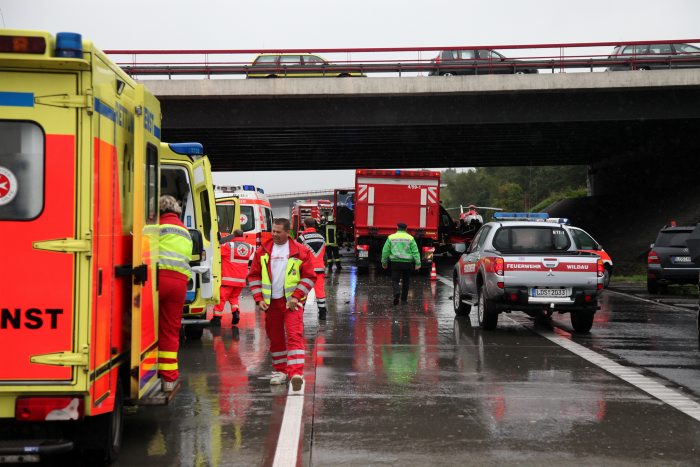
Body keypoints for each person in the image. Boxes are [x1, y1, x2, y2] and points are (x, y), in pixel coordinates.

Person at [248, 218, 316, 392]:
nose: (275, 235)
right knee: (275, 337)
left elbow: (309, 277)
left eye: (278, 232)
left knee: (294, 336)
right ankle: (280, 372)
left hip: (292, 303)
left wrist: (296, 297)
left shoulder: (300, 251)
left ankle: (296, 374)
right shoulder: (262, 251)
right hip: (271, 304)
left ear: (288, 232)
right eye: (273, 231)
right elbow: (254, 276)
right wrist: (259, 299)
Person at [157, 195, 193, 392]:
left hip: (156, 279)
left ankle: (146, 371)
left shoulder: (156, 227)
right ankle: (169, 379)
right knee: (170, 330)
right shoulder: (184, 230)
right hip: (179, 283)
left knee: (143, 327)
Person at [211, 228, 252, 327]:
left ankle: (216, 319)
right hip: (241, 280)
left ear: (233, 235)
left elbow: (217, 251)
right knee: (234, 298)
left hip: (228, 279)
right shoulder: (249, 247)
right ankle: (236, 313)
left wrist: (220, 239)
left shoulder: (229, 246)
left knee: (221, 298)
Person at [381, 222, 421, 306]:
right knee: (406, 281)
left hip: (396, 263)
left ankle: (396, 292)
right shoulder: (410, 238)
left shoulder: (391, 237)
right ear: (406, 229)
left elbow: (385, 251)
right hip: (407, 263)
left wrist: (384, 262)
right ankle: (404, 299)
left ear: (397, 228)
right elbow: (415, 251)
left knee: (395, 280)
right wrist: (418, 263)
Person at [297, 217, 328, 320]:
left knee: (303, 290)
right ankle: (322, 312)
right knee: (320, 291)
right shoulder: (321, 237)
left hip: (307, 270)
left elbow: (298, 254)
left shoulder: (302, 238)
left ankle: (301, 311)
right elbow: (324, 253)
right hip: (319, 269)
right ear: (314, 225)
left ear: (304, 225)